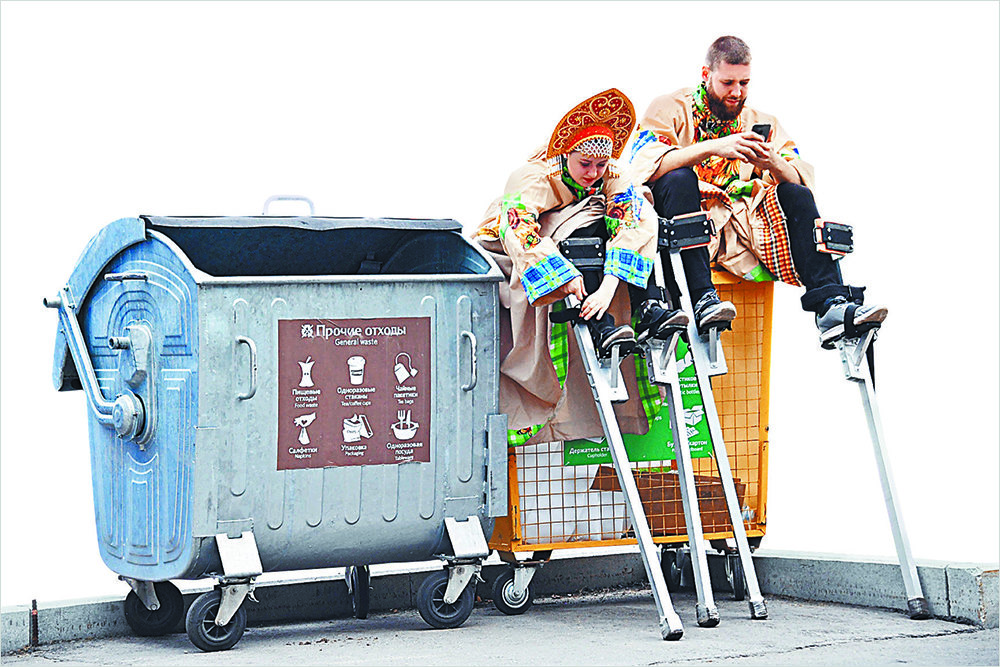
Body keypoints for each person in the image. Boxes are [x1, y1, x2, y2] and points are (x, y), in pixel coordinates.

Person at [626, 35, 887, 346]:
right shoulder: (669, 107)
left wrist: (770, 160)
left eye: (744, 83)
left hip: (742, 226)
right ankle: (703, 299)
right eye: (728, 83)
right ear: (706, 75)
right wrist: (716, 147)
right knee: (678, 178)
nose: (737, 92)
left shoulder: (760, 122)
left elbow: (802, 178)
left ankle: (830, 305)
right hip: (685, 223)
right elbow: (643, 166)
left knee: (797, 194)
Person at [474, 88, 685, 446]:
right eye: (584, 164)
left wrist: (607, 288)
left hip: (590, 246)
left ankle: (648, 307)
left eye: (600, 166)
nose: (593, 173)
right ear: (566, 155)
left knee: (637, 212)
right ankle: (599, 327)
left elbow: (632, 222)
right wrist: (563, 276)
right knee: (582, 221)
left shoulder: (611, 173)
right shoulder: (533, 177)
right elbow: (518, 228)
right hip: (516, 241)